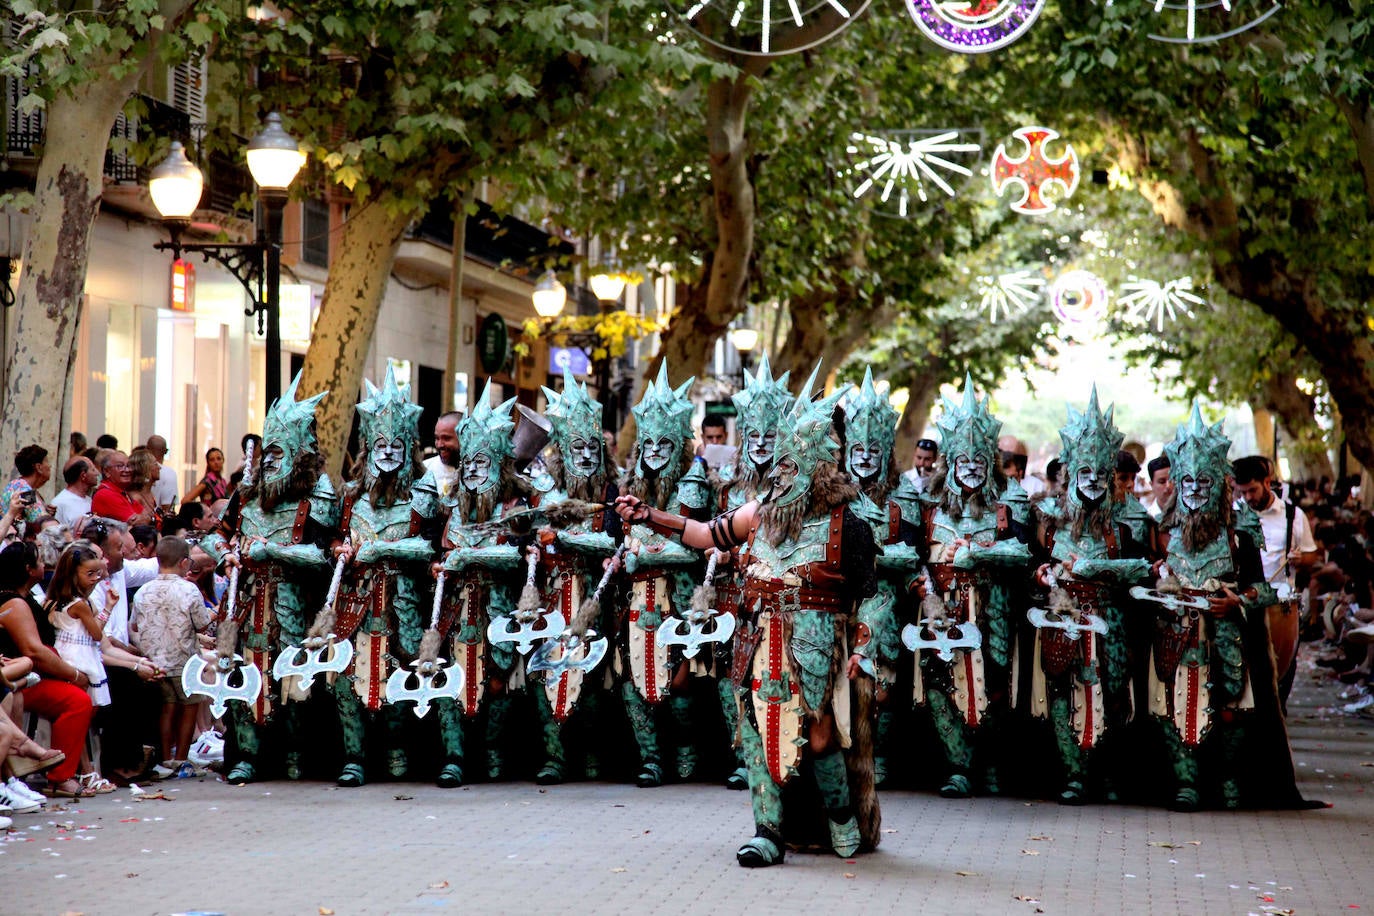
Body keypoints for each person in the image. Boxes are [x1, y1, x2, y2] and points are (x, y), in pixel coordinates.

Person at [613, 368, 881, 868]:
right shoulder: (759, 512)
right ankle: (767, 833)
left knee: (820, 736)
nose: (781, 473)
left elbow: (871, 596)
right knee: (757, 732)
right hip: (758, 640)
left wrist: (864, 647)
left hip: (817, 648)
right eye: (780, 464)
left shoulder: (849, 526)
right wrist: (651, 516)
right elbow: (705, 534)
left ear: (819, 468)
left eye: (792, 465)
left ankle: (842, 818)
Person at [1145, 406, 1308, 810]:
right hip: (1178, 638)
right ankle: (1186, 783)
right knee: (1178, 707)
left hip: (1227, 639)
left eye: (1203, 481)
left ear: (1218, 482)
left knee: (1233, 706)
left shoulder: (1240, 531)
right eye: (1187, 481)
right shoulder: (1163, 530)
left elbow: (1265, 590)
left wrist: (1238, 600)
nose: (1194, 490)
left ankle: (1229, 782)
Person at [201, 374, 338, 785]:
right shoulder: (247, 494)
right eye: (268, 451)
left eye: (279, 452)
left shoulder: (318, 494)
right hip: (246, 603)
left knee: (294, 680)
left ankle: (295, 756)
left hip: (295, 604)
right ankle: (247, 755)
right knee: (244, 676)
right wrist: (225, 554)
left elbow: (322, 555)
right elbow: (214, 534)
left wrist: (273, 552)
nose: (270, 459)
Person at [1030, 389, 1155, 804]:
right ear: (1071, 472)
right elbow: (1032, 564)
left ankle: (1108, 775)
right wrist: (1042, 574)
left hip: (1111, 620)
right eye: (1084, 472)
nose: (1092, 481)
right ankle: (1073, 776)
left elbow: (1143, 570)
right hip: (1061, 618)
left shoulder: (1128, 521)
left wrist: (1104, 571)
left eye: (1100, 473)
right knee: (1063, 692)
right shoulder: (1049, 519)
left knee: (1114, 693)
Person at [909, 376, 1031, 799]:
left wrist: (979, 554)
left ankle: (991, 764)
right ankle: (959, 765)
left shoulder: (1008, 502)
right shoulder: (929, 503)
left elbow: (1023, 554)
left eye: (980, 462)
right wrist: (925, 588)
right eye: (964, 461)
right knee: (940, 683)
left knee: (993, 683)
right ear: (951, 462)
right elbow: (912, 556)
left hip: (992, 609)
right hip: (941, 610)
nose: (972, 469)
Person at [313, 367, 431, 787]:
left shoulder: (423, 494)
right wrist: (338, 548)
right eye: (380, 444)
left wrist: (384, 550)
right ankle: (354, 757)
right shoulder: (350, 496)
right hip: (356, 602)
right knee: (347, 676)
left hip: (403, 602)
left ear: (409, 448)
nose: (388, 452)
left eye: (396, 445)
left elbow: (431, 547)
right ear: (367, 447)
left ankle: (397, 752)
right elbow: (328, 539)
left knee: (402, 671)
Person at [431, 380, 541, 784]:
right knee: (450, 678)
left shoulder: (515, 504)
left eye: (483, 462)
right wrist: (440, 565)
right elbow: (437, 550)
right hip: (456, 610)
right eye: (470, 462)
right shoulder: (452, 504)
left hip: (499, 607)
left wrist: (466, 557)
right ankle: (454, 758)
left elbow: (515, 553)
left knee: (499, 680)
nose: (475, 469)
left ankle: (493, 757)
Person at [528, 369, 622, 785]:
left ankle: (592, 757)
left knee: (595, 674)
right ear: (562, 451)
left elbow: (615, 542)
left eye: (591, 448)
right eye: (576, 447)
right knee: (547, 671)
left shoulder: (613, 491)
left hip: (596, 598)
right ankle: (554, 757)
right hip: (551, 596)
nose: (584, 455)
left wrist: (566, 539)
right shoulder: (544, 491)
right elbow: (527, 536)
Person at [609, 362, 701, 787]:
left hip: (678, 598)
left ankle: (686, 752)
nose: (656, 451)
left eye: (665, 444)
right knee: (632, 680)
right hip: (634, 600)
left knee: (680, 680)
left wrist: (643, 554)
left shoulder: (692, 484)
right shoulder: (629, 484)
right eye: (649, 443)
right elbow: (619, 540)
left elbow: (697, 543)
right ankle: (650, 759)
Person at [842, 369, 920, 786]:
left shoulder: (903, 494)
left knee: (882, 685)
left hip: (885, 603)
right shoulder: (832, 492)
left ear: (887, 450)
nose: (866, 457)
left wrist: (869, 557)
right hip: (841, 601)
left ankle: (879, 757)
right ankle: (845, 755)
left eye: (874, 449)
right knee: (842, 680)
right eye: (858, 448)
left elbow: (909, 554)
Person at [0, 542, 96, 799]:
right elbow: (34, 651)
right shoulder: (14, 602)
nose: (44, 565)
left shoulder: (26, 597)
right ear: (28, 569)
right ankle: (60, 777)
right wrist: (74, 675)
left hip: (32, 675)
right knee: (77, 701)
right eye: (39, 561)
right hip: (20, 679)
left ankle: (78, 770)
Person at [132, 536, 211, 778]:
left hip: (154, 661)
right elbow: (202, 624)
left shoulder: (143, 591)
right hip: (185, 661)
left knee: (167, 708)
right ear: (184, 562)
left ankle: (166, 758)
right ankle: (181, 759)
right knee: (189, 707)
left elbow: (134, 625)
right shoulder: (189, 590)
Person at [91, 450, 154, 526]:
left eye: (128, 466)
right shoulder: (106, 494)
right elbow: (138, 523)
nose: (127, 470)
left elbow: (148, 516)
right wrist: (143, 518)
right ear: (107, 471)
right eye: (120, 466)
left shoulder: (123, 492)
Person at [2, 445, 52, 528]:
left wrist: (47, 512)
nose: (50, 466)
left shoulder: (19, 485)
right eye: (46, 461)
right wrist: (47, 517)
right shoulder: (25, 491)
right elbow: (40, 523)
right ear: (39, 467)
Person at [422, 411, 461, 500]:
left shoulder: (476, 472)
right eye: (437, 438)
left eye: (446, 438)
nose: (439, 445)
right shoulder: (424, 470)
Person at [51, 457, 98, 528]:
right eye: (93, 470)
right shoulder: (60, 502)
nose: (97, 473)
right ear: (83, 475)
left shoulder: (89, 500)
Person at [146, 435, 179, 513]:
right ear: (166, 451)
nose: (158, 468)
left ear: (146, 449)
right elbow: (168, 507)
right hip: (156, 518)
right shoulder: (169, 473)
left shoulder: (139, 469)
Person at [1144, 455, 1172, 520]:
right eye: (1162, 482)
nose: (1168, 486)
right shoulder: (1148, 519)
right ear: (1152, 485)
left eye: (1172, 480)